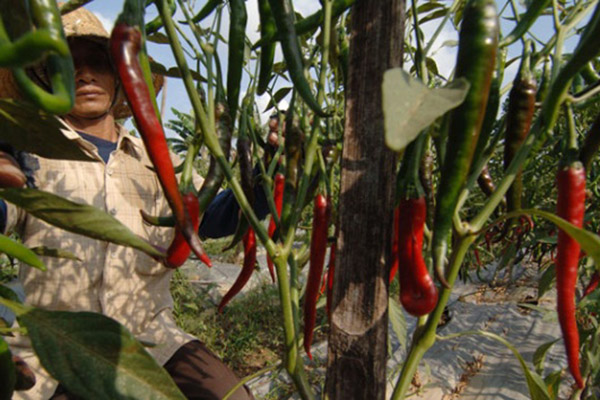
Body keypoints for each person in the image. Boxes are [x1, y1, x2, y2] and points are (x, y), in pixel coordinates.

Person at [0, 7, 269, 400]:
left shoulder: (156, 160)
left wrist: (271, 181)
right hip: (60, 347)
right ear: (46, 78)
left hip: (153, 337)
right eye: (68, 65)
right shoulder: (31, 155)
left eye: (98, 63)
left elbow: (214, 217)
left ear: (121, 77)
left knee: (232, 397)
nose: (85, 74)